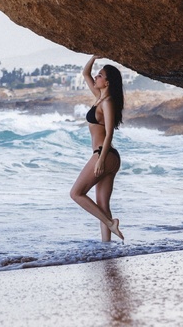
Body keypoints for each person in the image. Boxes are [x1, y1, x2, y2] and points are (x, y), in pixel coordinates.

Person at [70, 55, 125, 242]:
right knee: (102, 205)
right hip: (108, 156)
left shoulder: (107, 103)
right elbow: (85, 73)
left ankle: (110, 224)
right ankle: (106, 247)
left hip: (104, 154)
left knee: (76, 193)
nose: (96, 77)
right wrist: (94, 57)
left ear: (107, 82)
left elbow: (109, 132)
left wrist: (101, 159)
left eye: (100, 75)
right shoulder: (99, 98)